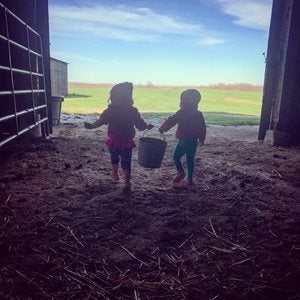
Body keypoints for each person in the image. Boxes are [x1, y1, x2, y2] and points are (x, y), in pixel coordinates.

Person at [84, 82, 153, 192]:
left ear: (113, 97)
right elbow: (140, 125)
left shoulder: (110, 110)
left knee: (114, 158)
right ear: (129, 97)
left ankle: (115, 174)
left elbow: (101, 121)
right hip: (126, 142)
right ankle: (127, 182)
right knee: (126, 162)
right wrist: (147, 126)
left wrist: (92, 126)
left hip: (113, 140)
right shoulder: (132, 111)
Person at [159, 89, 206, 186]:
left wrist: (162, 129)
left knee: (176, 157)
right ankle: (189, 178)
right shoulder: (198, 114)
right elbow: (202, 128)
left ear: (183, 102)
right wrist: (201, 139)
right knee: (190, 159)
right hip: (193, 141)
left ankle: (180, 171)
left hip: (183, 140)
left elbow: (171, 121)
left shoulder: (181, 112)